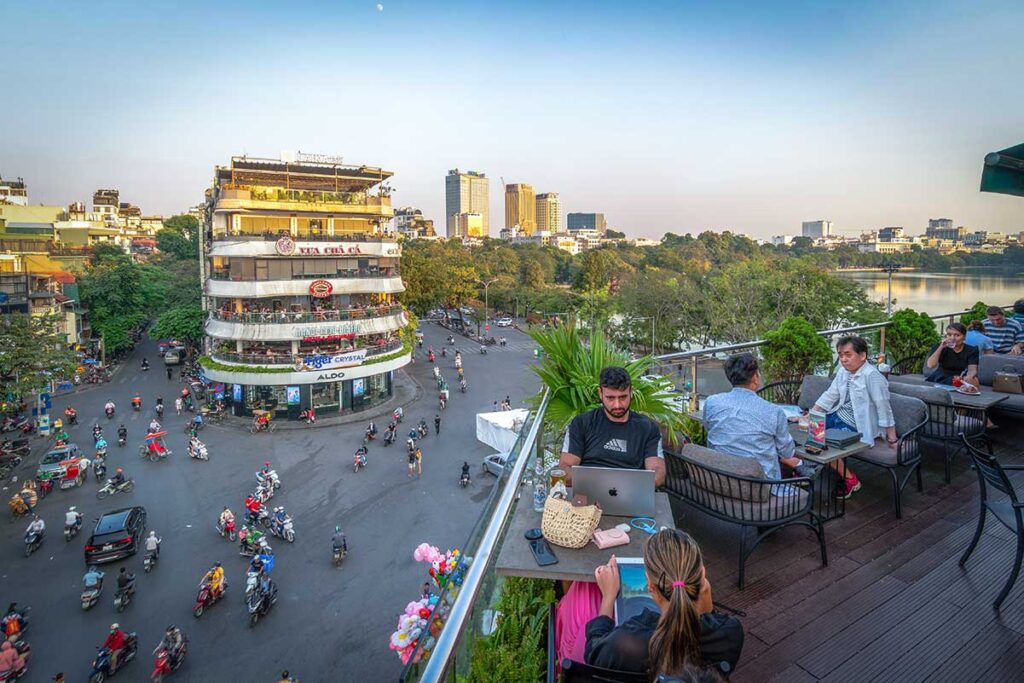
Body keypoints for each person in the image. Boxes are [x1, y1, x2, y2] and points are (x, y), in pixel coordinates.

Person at [580, 530, 744, 676]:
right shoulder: (730, 632)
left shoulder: (626, 643)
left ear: (650, 585)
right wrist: (707, 603)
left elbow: (593, 653)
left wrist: (608, 597)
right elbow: (710, 624)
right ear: (702, 576)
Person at [703, 354, 813, 481]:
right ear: (755, 377)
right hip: (760, 485)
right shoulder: (773, 411)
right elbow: (787, 452)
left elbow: (709, 428)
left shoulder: (712, 402)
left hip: (719, 476)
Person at [811, 336, 896, 499]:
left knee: (824, 442)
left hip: (858, 425)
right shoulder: (844, 372)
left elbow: (884, 408)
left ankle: (850, 479)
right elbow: (830, 395)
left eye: (848, 355)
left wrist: (892, 439)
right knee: (810, 430)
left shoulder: (872, 376)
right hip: (837, 416)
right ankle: (805, 469)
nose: (843, 359)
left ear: (862, 355)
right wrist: (812, 415)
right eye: (840, 355)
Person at [559, 366, 666, 487]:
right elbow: (565, 469)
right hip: (587, 493)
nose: (617, 405)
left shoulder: (648, 428)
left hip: (630, 494)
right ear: (600, 393)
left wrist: (626, 486)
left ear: (631, 392)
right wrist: (603, 484)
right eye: (610, 398)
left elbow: (658, 472)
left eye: (623, 397)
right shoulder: (581, 423)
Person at [925, 322, 980, 386]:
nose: (952, 338)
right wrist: (941, 347)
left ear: (964, 337)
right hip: (941, 377)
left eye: (957, 335)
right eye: (949, 334)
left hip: (961, 377)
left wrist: (969, 377)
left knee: (974, 381)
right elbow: (930, 365)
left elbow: (972, 369)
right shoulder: (940, 347)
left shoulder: (972, 350)